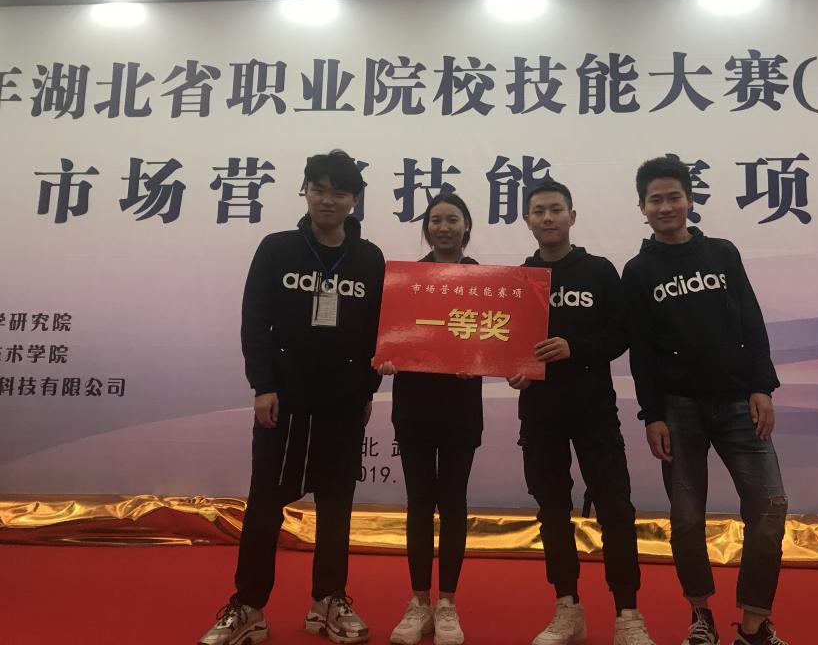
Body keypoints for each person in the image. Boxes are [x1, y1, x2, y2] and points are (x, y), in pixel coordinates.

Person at [198, 150, 385, 645]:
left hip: (344, 403)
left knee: (337, 507)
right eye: (318, 189)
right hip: (284, 401)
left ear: (354, 200)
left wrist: (368, 389)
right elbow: (255, 320)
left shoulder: (369, 259)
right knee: (265, 506)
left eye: (339, 192)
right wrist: (263, 385)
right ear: (305, 191)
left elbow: (378, 330)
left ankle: (328, 601)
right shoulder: (277, 248)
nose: (327, 200)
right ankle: (249, 607)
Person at [622, 157, 788, 645]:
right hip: (678, 410)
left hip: (738, 402)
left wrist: (762, 386)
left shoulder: (722, 253)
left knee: (770, 507)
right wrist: (652, 415)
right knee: (687, 518)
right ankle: (701, 614)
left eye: (674, 197)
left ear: (690, 200)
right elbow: (641, 352)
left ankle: (754, 625)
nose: (665, 207)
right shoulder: (638, 271)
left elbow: (751, 322)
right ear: (642, 208)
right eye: (655, 200)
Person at [508, 181, 655, 645]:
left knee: (616, 509)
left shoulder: (598, 271)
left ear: (572, 216)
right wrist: (512, 370)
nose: (547, 218)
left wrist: (576, 348)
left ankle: (627, 614)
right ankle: (567, 608)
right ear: (527, 221)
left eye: (556, 209)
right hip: (539, 414)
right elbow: (504, 341)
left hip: (594, 411)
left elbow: (622, 334)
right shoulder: (518, 279)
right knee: (553, 512)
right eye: (538, 211)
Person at [377, 193, 483, 645]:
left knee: (453, 503)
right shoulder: (406, 281)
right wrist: (385, 358)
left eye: (452, 219)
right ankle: (419, 601)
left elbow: (497, 340)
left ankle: (447, 604)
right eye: (435, 220)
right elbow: (387, 336)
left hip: (461, 409)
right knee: (419, 503)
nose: (443, 227)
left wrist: (480, 358)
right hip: (415, 407)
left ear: (466, 226)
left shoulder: (484, 282)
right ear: (427, 228)